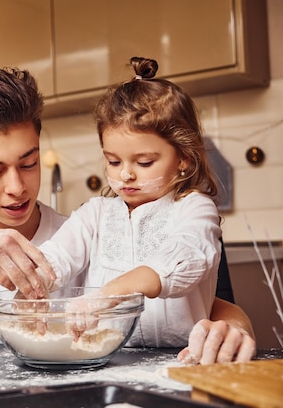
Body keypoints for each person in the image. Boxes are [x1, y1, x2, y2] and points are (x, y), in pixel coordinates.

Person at [0, 66, 255, 363]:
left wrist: (236, 328)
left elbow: (200, 296)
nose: (16, 187)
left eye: (29, 163)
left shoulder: (79, 229)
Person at [38, 57, 252, 354]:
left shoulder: (194, 209)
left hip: (182, 357)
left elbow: (183, 256)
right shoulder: (95, 214)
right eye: (113, 161)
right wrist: (32, 277)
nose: (125, 173)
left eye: (144, 162)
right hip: (107, 357)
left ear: (183, 159)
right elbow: (56, 258)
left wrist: (108, 295)